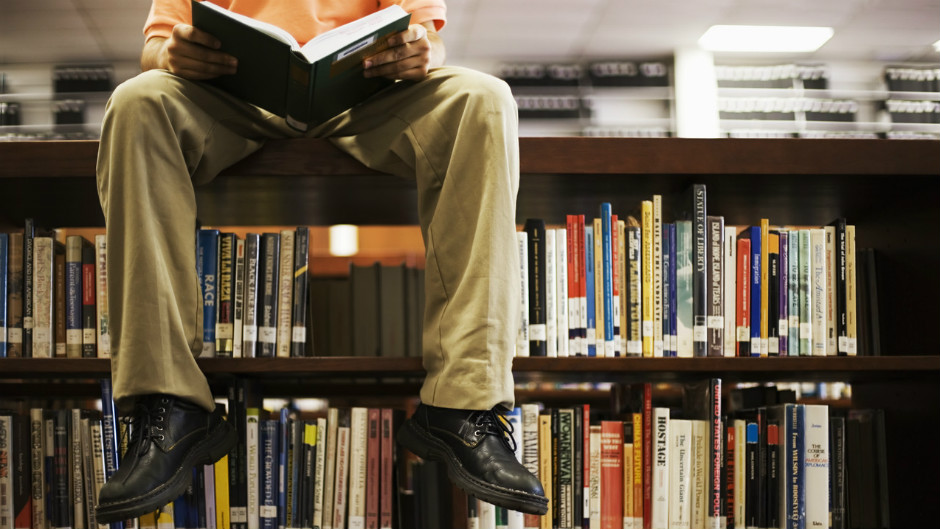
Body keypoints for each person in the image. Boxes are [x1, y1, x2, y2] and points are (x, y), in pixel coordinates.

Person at [94, 0, 548, 522]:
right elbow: (157, 45)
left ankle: (463, 405)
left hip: (368, 100)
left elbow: (427, 37)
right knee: (136, 101)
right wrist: (170, 54)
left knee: (486, 98)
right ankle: (168, 407)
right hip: (227, 98)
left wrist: (419, 52)